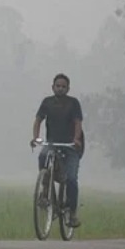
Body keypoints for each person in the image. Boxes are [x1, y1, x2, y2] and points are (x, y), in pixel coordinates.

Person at [30, 73, 84, 227]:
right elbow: (38, 120)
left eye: (63, 86)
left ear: (68, 89)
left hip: (70, 146)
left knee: (71, 179)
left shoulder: (73, 103)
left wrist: (76, 139)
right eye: (58, 86)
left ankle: (72, 213)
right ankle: (45, 189)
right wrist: (36, 137)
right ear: (52, 87)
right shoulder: (47, 102)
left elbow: (78, 123)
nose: (60, 88)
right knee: (42, 157)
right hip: (52, 143)